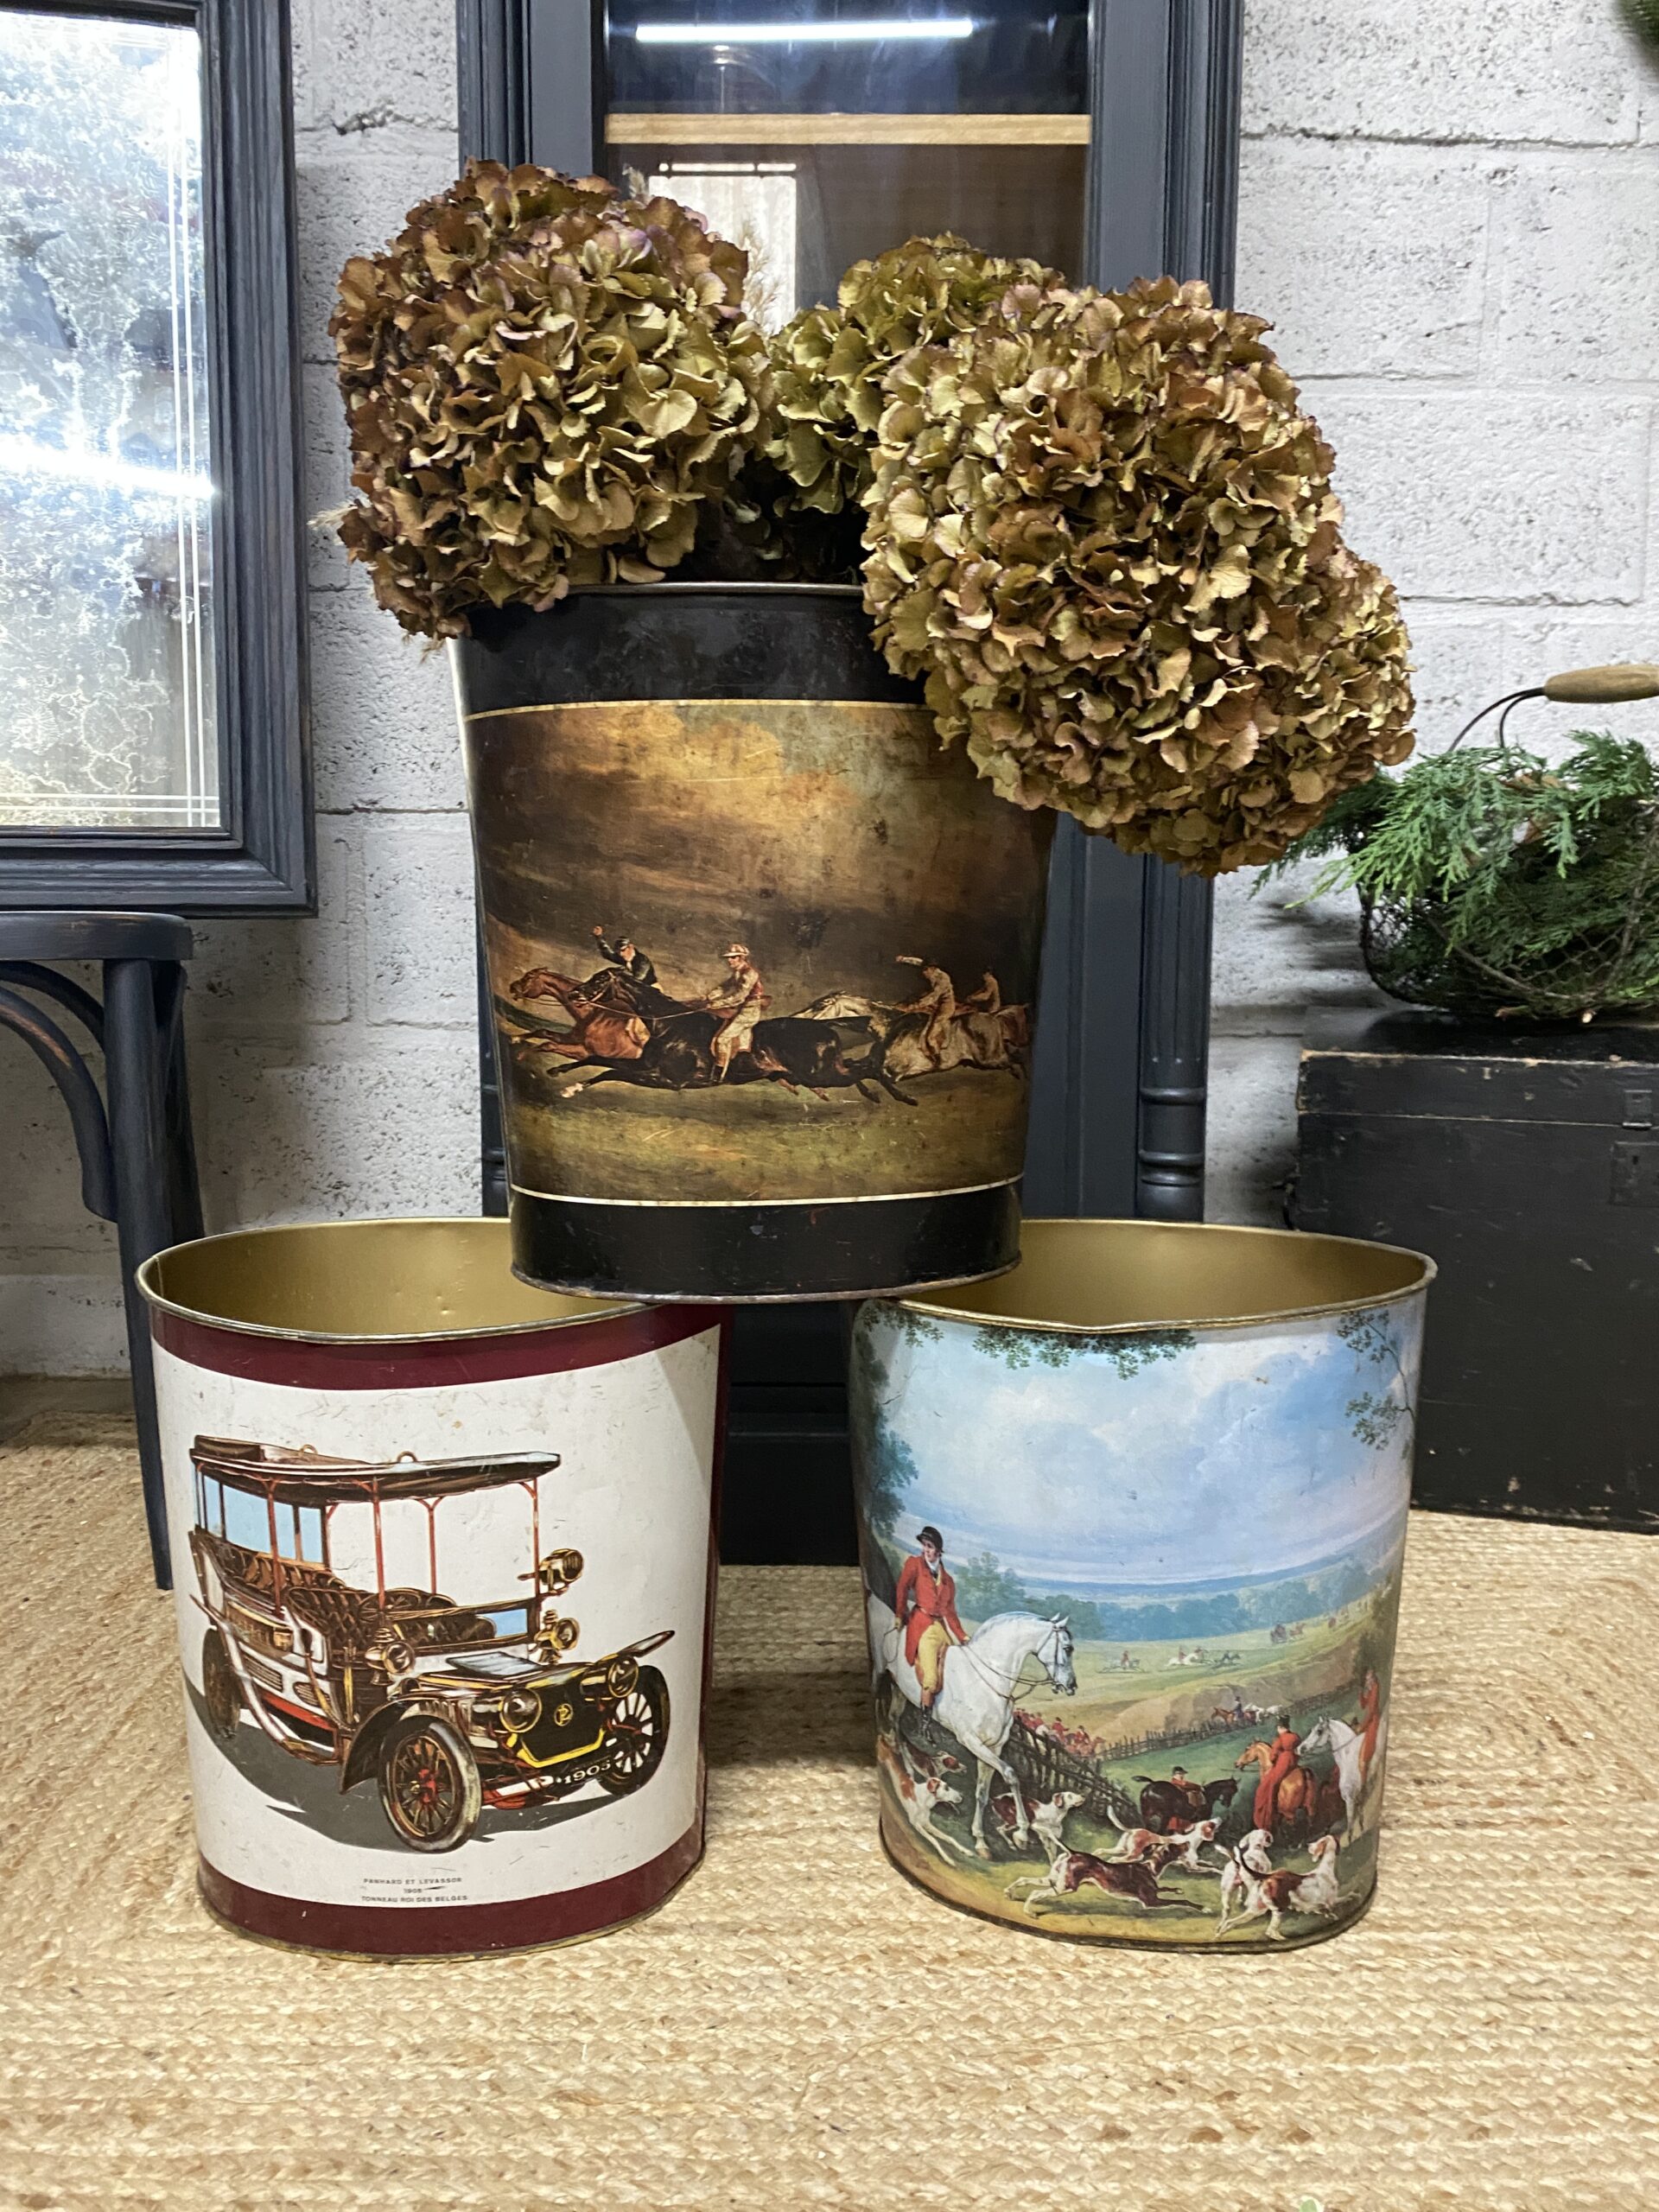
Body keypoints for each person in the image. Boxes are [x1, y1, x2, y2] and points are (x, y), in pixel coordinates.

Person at [893, 1525, 968, 1713]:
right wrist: (899, 1614)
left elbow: (950, 1611)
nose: (926, 1550)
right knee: (931, 1679)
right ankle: (925, 1721)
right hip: (921, 1624)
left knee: (955, 1666)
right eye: (924, 1545)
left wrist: (962, 1636)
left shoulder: (948, 1581)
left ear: (939, 1551)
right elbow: (902, 1587)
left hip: (940, 1627)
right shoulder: (915, 1565)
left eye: (930, 1546)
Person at [700, 942, 768, 1080]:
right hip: (742, 1009)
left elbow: (739, 997)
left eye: (733, 957)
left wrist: (716, 1004)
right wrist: (709, 997)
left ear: (741, 958)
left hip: (749, 1012)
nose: (729, 960)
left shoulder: (749, 974)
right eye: (728, 958)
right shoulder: (738, 972)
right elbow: (724, 987)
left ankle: (718, 1074)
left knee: (722, 1039)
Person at [894, 954, 957, 1068]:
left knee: (931, 1036)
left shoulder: (943, 979)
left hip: (945, 1006)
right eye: (923, 969)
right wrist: (904, 959)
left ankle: (939, 1060)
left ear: (932, 969)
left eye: (925, 970)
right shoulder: (928, 968)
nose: (923, 973)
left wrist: (913, 1006)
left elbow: (932, 997)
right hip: (936, 1003)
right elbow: (917, 962)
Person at [1254, 1713, 1302, 1834]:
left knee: (1267, 1785)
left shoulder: (1279, 1740)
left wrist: (1274, 1759)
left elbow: (1272, 1756)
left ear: (1280, 1728)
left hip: (1283, 1762)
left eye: (1278, 1728)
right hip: (1293, 1761)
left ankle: (1269, 1811)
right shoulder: (1295, 1736)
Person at [1354, 1666, 1382, 1779]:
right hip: (1369, 1720)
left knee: (1363, 1759)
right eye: (1366, 1676)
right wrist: (1361, 1692)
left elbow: (1371, 1711)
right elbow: (1363, 1705)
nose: (1367, 1679)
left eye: (1369, 1676)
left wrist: (1362, 1726)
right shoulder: (1369, 1689)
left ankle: (1364, 1782)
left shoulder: (1375, 1687)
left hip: (1373, 1721)